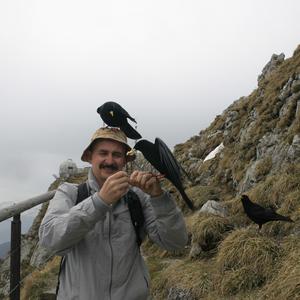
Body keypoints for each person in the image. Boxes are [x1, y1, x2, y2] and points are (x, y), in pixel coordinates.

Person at [39, 127, 188, 300]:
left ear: (124, 161)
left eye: (117, 155)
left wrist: (159, 197)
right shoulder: (70, 193)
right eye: (103, 153)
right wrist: (99, 201)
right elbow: (50, 239)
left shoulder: (138, 196)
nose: (109, 161)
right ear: (90, 157)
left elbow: (176, 243)